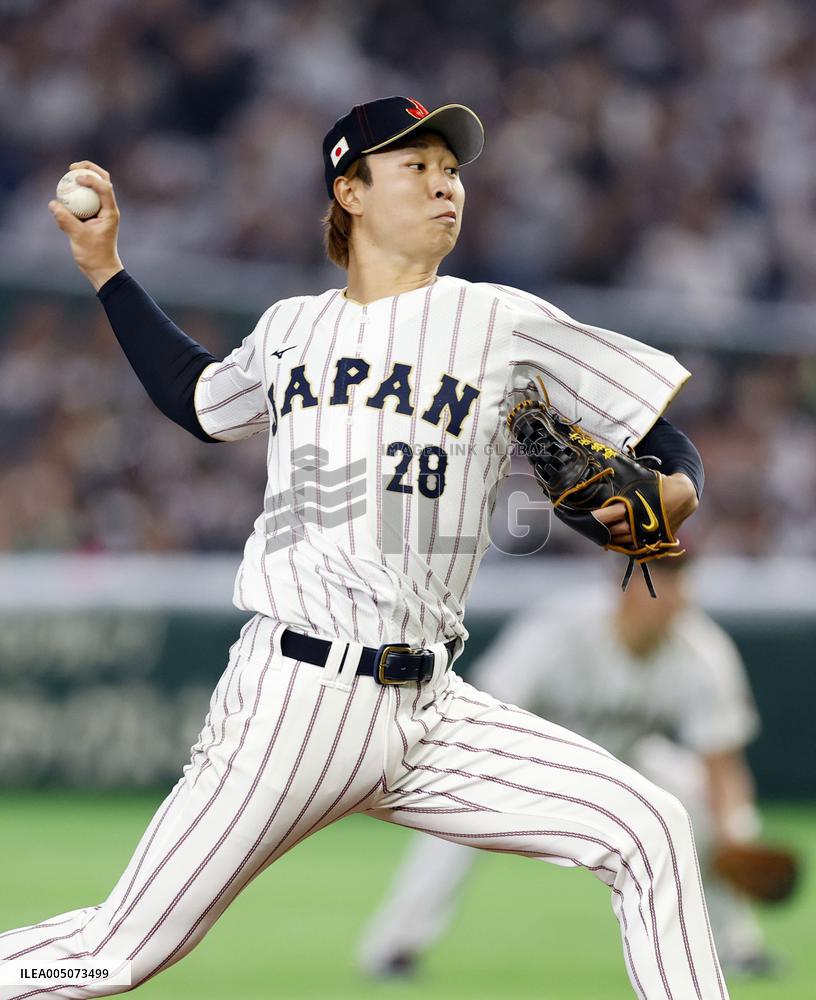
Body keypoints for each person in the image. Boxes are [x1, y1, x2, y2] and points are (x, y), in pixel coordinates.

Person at [0, 96, 721, 998]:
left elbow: (658, 433)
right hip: (297, 697)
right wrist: (106, 269)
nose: (445, 184)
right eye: (415, 167)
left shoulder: (503, 321)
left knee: (648, 827)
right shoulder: (290, 328)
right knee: (118, 952)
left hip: (431, 711)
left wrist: (679, 484)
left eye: (451, 170)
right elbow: (198, 399)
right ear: (350, 189)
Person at [358, 558, 776, 981]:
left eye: (678, 587)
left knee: (697, 806)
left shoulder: (701, 650)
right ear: (623, 587)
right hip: (527, 752)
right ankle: (396, 946)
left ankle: (738, 944)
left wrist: (731, 835)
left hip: (628, 756)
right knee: (453, 819)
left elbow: (721, 761)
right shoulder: (559, 628)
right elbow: (491, 700)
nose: (671, 600)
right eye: (660, 586)